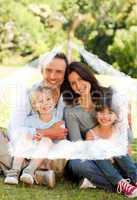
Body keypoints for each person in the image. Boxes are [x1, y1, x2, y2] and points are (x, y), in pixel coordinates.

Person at [64, 61, 134, 191]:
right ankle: (123, 184)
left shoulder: (108, 94)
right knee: (76, 164)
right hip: (94, 157)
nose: (78, 85)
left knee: (123, 159)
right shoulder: (71, 111)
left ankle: (97, 181)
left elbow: (126, 132)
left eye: (80, 79)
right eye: (73, 83)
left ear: (87, 76)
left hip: (117, 155)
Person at [0, 53, 69, 184]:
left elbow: (62, 134)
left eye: (59, 72)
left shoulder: (67, 98)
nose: (53, 76)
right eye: (49, 70)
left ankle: (18, 169)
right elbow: (15, 129)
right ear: (41, 70)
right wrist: (46, 132)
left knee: (64, 148)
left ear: (65, 74)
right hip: (21, 145)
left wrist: (48, 135)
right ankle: (36, 174)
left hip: (47, 152)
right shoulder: (27, 93)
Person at [4, 86, 63, 187]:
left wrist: (47, 136)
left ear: (54, 102)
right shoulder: (30, 120)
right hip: (29, 148)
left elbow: (61, 138)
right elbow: (21, 133)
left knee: (46, 141)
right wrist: (29, 136)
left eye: (48, 99)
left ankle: (29, 171)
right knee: (24, 137)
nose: (45, 103)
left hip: (45, 152)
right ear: (35, 106)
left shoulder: (58, 121)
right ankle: (15, 171)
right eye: (40, 101)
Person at [85, 87, 137, 198]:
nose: (105, 116)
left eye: (110, 113)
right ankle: (122, 184)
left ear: (116, 116)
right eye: (101, 112)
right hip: (103, 166)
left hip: (119, 164)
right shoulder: (91, 134)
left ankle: (135, 178)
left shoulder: (118, 131)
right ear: (96, 113)